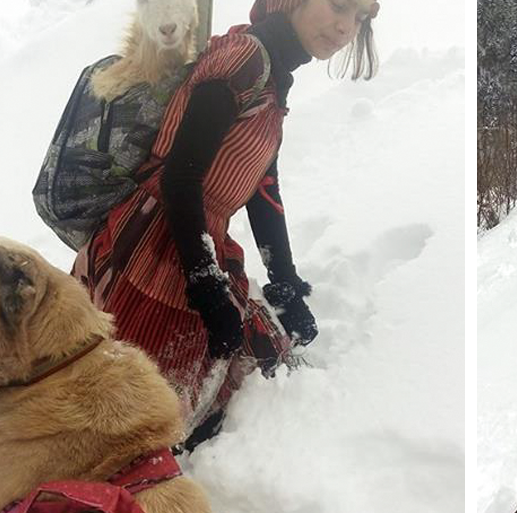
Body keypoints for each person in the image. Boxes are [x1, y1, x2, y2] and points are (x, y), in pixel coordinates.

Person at [74, 0, 381, 452]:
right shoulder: (244, 59)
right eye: (340, 6)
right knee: (132, 419)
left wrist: (286, 284)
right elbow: (180, 176)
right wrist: (206, 286)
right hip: (157, 247)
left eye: (360, 19)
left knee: (255, 373)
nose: (346, 28)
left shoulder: (273, 76)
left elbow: (263, 189)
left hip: (193, 241)